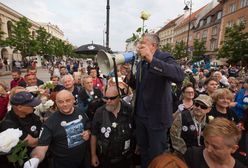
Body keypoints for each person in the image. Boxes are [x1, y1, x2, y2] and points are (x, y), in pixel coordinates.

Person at [135, 33, 184, 167]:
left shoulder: (164, 57)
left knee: (157, 155)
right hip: (140, 117)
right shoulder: (141, 63)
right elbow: (140, 87)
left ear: (153, 46)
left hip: (156, 119)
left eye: (142, 44)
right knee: (143, 152)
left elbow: (179, 75)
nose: (139, 46)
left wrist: (152, 59)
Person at [23, 90, 91, 168]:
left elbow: (87, 125)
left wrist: (88, 132)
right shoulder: (50, 122)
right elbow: (42, 147)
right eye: (60, 102)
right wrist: (35, 159)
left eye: (68, 100)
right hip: (63, 164)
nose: (65, 104)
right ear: (56, 102)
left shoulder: (80, 112)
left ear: (73, 100)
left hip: (84, 160)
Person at [91, 86, 133, 168]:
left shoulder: (128, 110)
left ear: (119, 97)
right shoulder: (99, 112)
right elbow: (94, 134)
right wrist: (93, 155)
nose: (108, 101)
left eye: (112, 98)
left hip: (125, 158)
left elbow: (135, 129)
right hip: (106, 159)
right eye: (106, 98)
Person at [0, 91, 44, 168]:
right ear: (20, 107)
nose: (34, 107)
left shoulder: (29, 113)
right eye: (31, 105)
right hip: (24, 162)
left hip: (38, 155)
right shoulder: (9, 124)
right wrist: (50, 134)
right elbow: (32, 142)